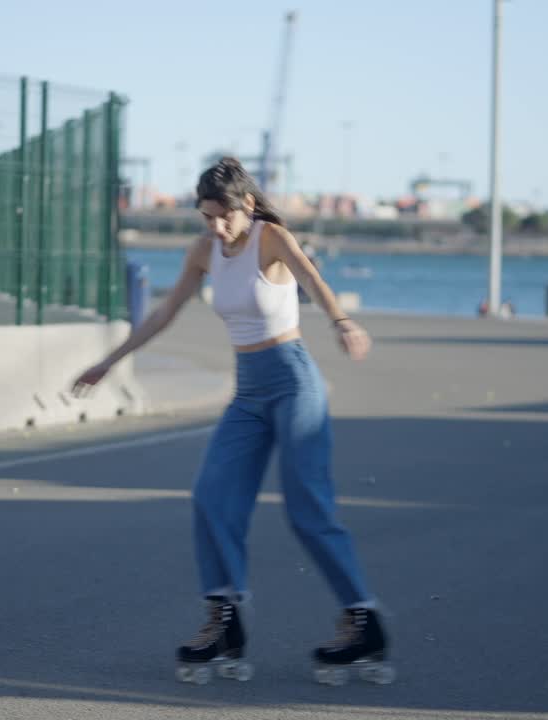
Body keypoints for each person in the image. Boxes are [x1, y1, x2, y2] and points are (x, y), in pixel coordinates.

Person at [72, 157, 391, 686]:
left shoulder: (272, 238)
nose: (215, 228)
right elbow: (164, 312)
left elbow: (313, 279)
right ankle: (224, 621)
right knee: (212, 496)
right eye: (206, 218)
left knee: (307, 506)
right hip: (248, 393)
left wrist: (342, 322)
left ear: (244, 206)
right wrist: (110, 360)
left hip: (293, 382)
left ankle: (363, 620)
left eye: (222, 216)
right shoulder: (204, 250)